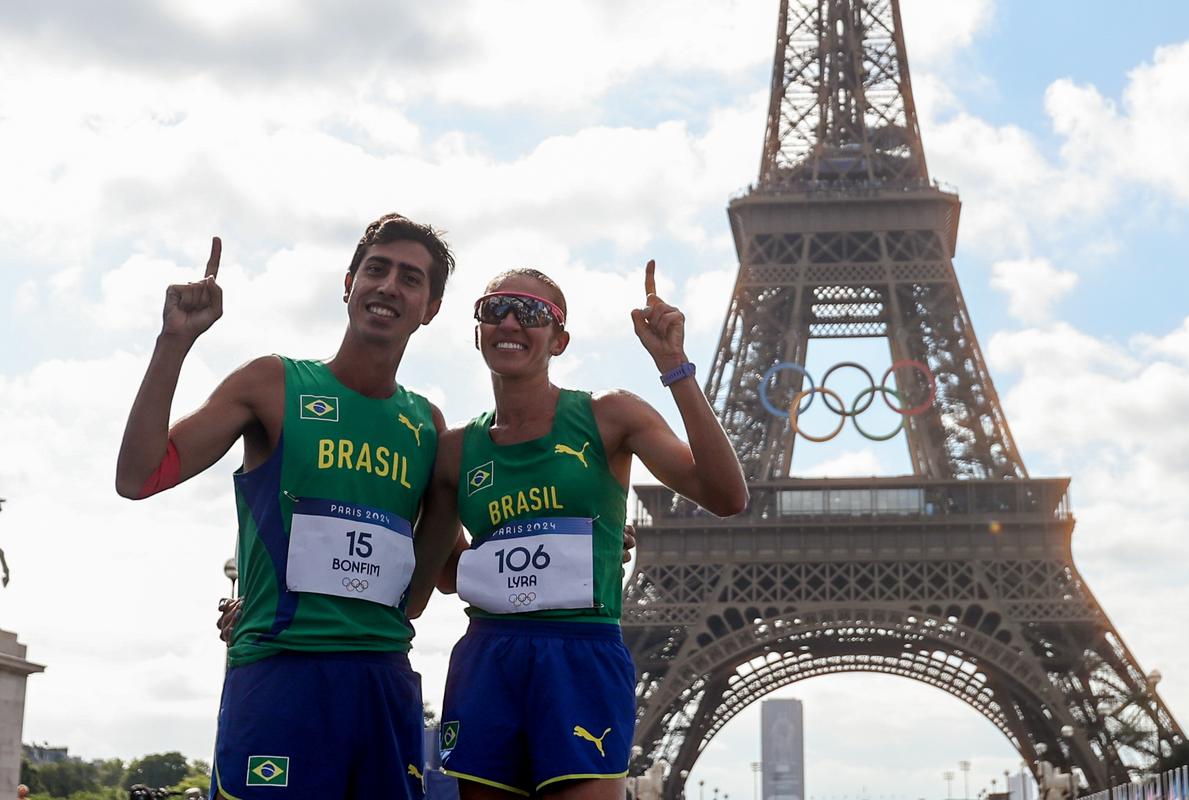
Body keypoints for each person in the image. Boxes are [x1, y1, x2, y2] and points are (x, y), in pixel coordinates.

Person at [115, 214, 458, 800]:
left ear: (429, 309)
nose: (388, 287)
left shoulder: (426, 424)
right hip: (280, 675)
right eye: (376, 270)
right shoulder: (273, 384)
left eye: (410, 279)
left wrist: (589, 547)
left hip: (381, 679)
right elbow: (140, 476)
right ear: (348, 283)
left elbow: (445, 572)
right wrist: (174, 341)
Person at [406, 261, 748, 800]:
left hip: (580, 654)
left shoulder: (610, 416)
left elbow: (727, 496)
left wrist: (675, 366)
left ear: (559, 339)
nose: (512, 322)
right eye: (496, 310)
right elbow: (435, 579)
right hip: (489, 657)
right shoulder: (453, 451)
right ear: (478, 333)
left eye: (533, 312)